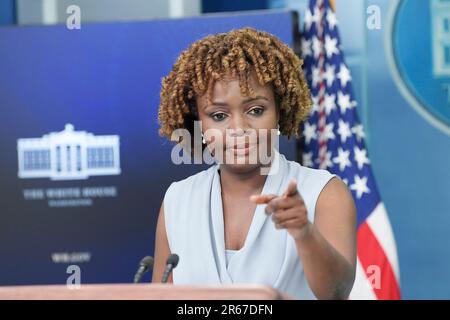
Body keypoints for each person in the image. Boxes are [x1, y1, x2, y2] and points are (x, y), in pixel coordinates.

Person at [152, 27, 356, 300]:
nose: (239, 128)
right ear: (197, 123)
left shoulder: (324, 193)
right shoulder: (178, 200)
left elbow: (337, 293)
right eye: (219, 115)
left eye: (256, 110)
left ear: (280, 110)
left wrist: (304, 232)